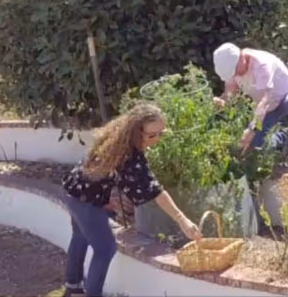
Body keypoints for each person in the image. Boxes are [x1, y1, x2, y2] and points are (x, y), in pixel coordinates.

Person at [61, 103, 201, 297]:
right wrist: (182, 220)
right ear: (136, 131)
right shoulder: (129, 154)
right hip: (86, 200)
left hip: (74, 190)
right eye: (152, 135)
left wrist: (104, 198)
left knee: (80, 236)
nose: (157, 139)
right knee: (105, 249)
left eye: (161, 133)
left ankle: (73, 286)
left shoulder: (118, 135)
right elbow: (155, 191)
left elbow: (101, 170)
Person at [213, 42, 288, 168]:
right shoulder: (234, 69)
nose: (235, 75)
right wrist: (220, 102)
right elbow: (230, 95)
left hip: (287, 95)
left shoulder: (262, 65)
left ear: (241, 58)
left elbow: (265, 100)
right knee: (256, 146)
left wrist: (251, 129)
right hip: (270, 108)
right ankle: (283, 137)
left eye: (235, 71)